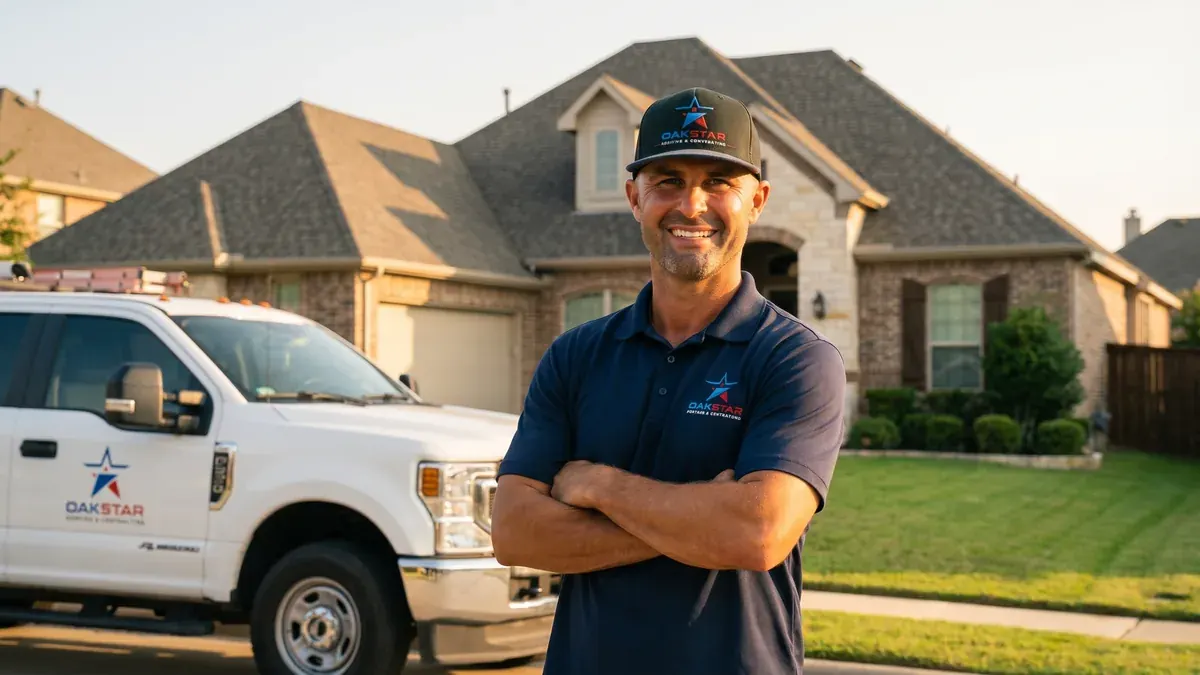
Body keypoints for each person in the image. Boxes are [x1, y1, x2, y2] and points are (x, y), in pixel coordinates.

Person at [491, 86, 846, 675]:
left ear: (757, 200)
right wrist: (705, 519)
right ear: (635, 197)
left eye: (718, 182)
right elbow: (514, 534)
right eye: (669, 181)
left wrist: (599, 486)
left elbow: (758, 534)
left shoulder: (795, 359)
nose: (692, 205)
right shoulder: (575, 356)